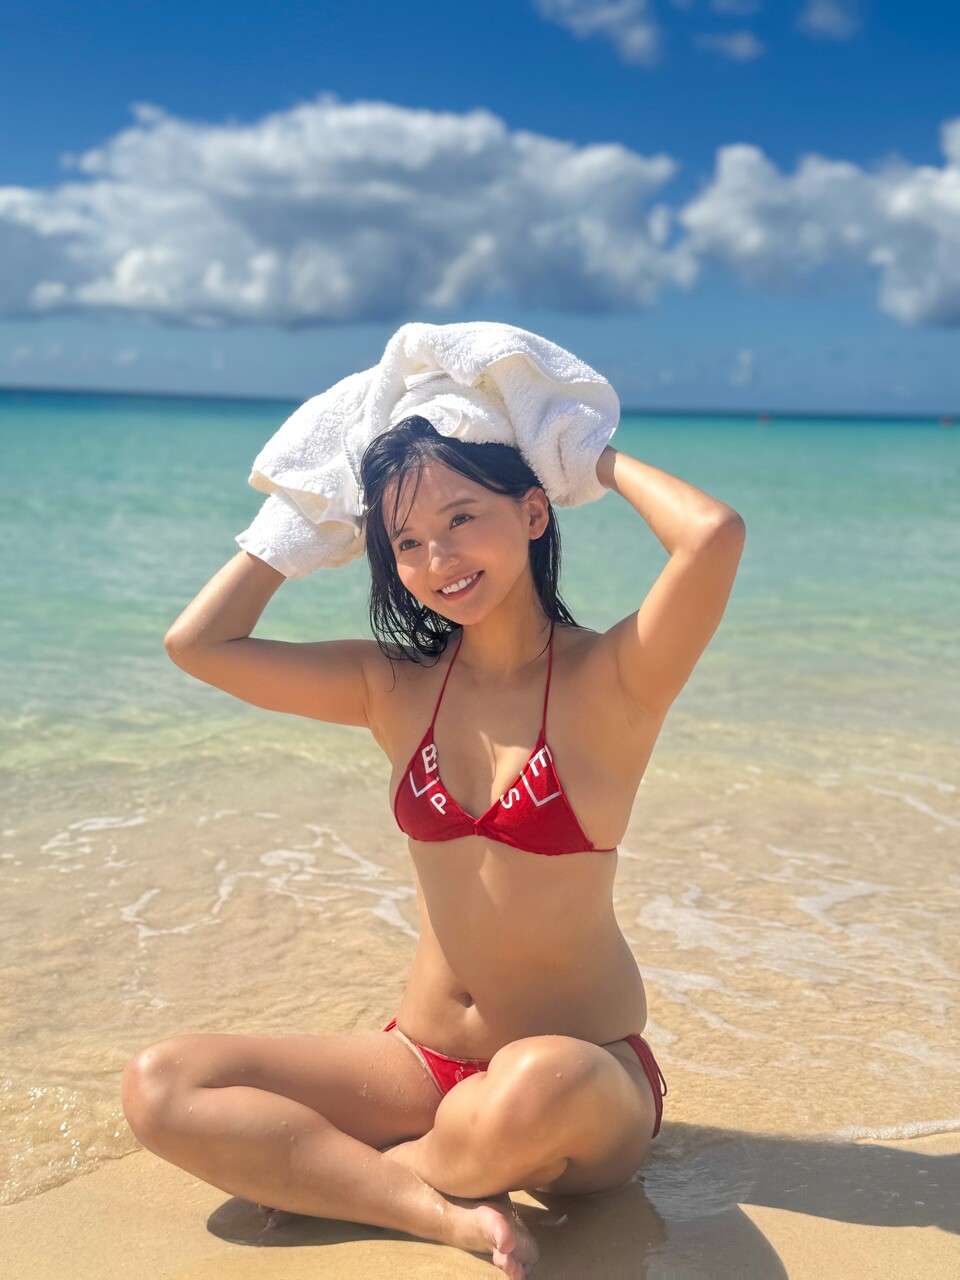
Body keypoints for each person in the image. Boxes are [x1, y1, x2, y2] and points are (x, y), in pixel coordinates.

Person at [122, 415, 745, 1278]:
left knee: (536, 1081)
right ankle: (431, 1207)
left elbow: (712, 536)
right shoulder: (393, 687)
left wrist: (580, 452)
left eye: (461, 518)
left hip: (580, 1081)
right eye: (405, 542)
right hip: (418, 1062)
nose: (438, 558)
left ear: (533, 512)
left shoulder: (613, 680)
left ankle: (345, 1177)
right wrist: (299, 521)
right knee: (161, 1084)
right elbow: (197, 645)